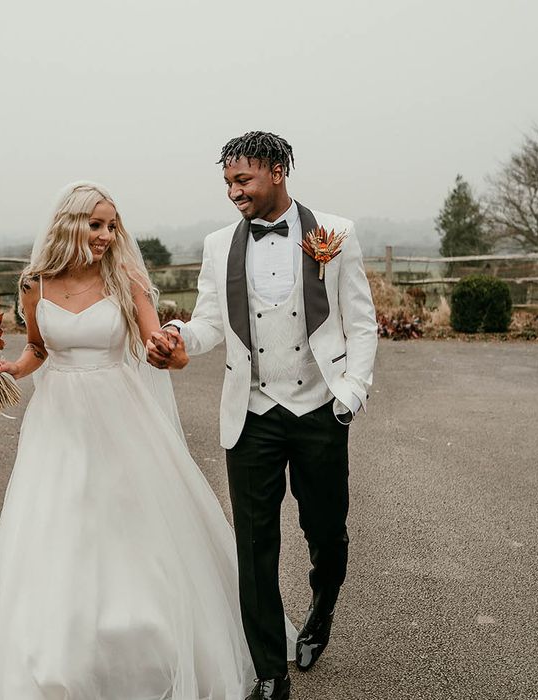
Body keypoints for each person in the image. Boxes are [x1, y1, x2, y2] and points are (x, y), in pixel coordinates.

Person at [0, 182, 255, 699]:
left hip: (120, 412)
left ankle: (139, 628)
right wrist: (12, 367)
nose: (106, 235)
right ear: (69, 223)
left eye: (112, 225)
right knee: (62, 517)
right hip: (57, 419)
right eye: (95, 224)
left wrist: (172, 348)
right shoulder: (35, 285)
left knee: (124, 516)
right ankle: (62, 635)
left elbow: (154, 341)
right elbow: (37, 347)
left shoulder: (125, 279)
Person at [148, 131, 378, 700]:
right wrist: (176, 336)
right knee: (254, 548)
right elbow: (207, 323)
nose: (234, 192)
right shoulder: (218, 243)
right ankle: (270, 673)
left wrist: (350, 395)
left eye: (242, 180)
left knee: (325, 531)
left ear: (277, 171)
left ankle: (322, 606)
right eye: (227, 182)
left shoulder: (335, 234)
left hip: (320, 407)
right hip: (250, 414)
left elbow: (362, 321)